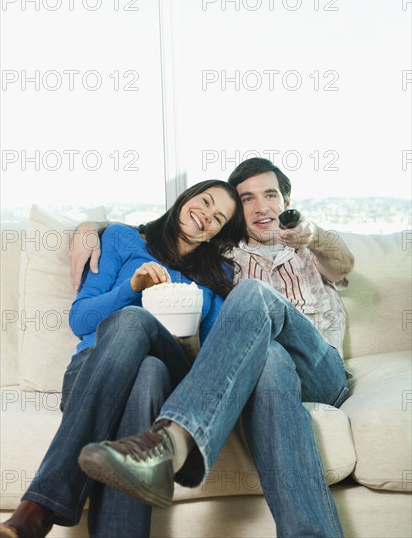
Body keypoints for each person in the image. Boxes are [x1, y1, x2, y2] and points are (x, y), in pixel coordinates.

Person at [74, 158, 355, 537]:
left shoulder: (309, 247)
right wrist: (91, 228)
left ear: (286, 199)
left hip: (321, 370)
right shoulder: (223, 257)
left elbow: (344, 262)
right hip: (265, 371)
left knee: (254, 294)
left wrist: (313, 233)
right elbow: (164, 235)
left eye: (270, 195)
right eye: (248, 199)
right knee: (270, 359)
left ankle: (171, 442)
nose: (261, 207)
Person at [0, 180, 247, 538]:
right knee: (144, 367)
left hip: (173, 373)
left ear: (214, 235)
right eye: (204, 201)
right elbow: (80, 319)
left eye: (217, 218)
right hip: (94, 369)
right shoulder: (121, 239)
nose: (205, 215)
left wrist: (188, 337)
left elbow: (210, 363)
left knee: (141, 332)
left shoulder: (217, 275)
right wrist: (131, 289)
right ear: (185, 198)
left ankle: (39, 507)